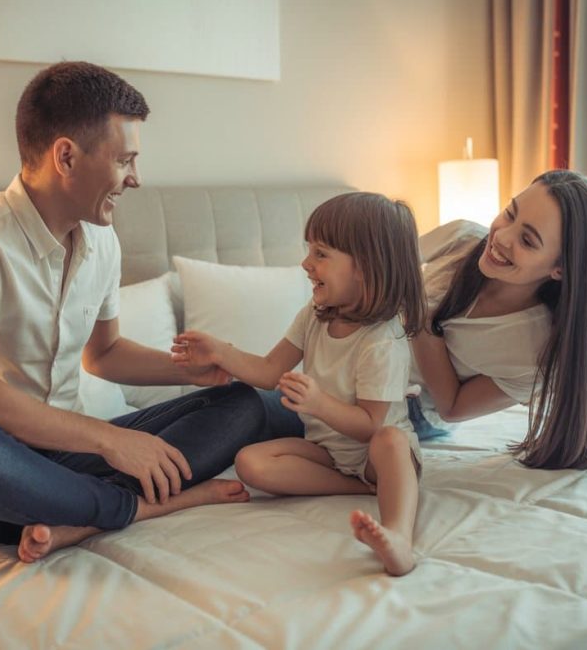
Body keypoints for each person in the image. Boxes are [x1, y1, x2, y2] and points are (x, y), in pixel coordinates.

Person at [0, 61, 300, 563]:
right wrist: (112, 440)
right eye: (124, 160)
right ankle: (141, 507)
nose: (135, 179)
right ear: (67, 157)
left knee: (243, 402)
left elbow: (104, 353)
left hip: (73, 463)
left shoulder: (100, 238)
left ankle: (82, 514)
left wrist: (193, 371)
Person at [172, 192, 427, 576]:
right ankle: (357, 489)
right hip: (329, 452)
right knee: (250, 461)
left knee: (392, 440)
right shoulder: (314, 316)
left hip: (376, 457)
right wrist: (221, 352)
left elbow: (371, 425)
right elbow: (270, 370)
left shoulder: (382, 340)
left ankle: (399, 540)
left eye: (321, 254)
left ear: (366, 267)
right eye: (310, 251)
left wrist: (318, 403)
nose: (306, 264)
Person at [410, 169, 587, 469]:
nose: (501, 236)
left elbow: (452, 408)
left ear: (560, 269)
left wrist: (422, 323)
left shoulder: (533, 349)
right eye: (509, 213)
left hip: (415, 407)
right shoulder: (460, 238)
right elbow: (386, 272)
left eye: (527, 240)